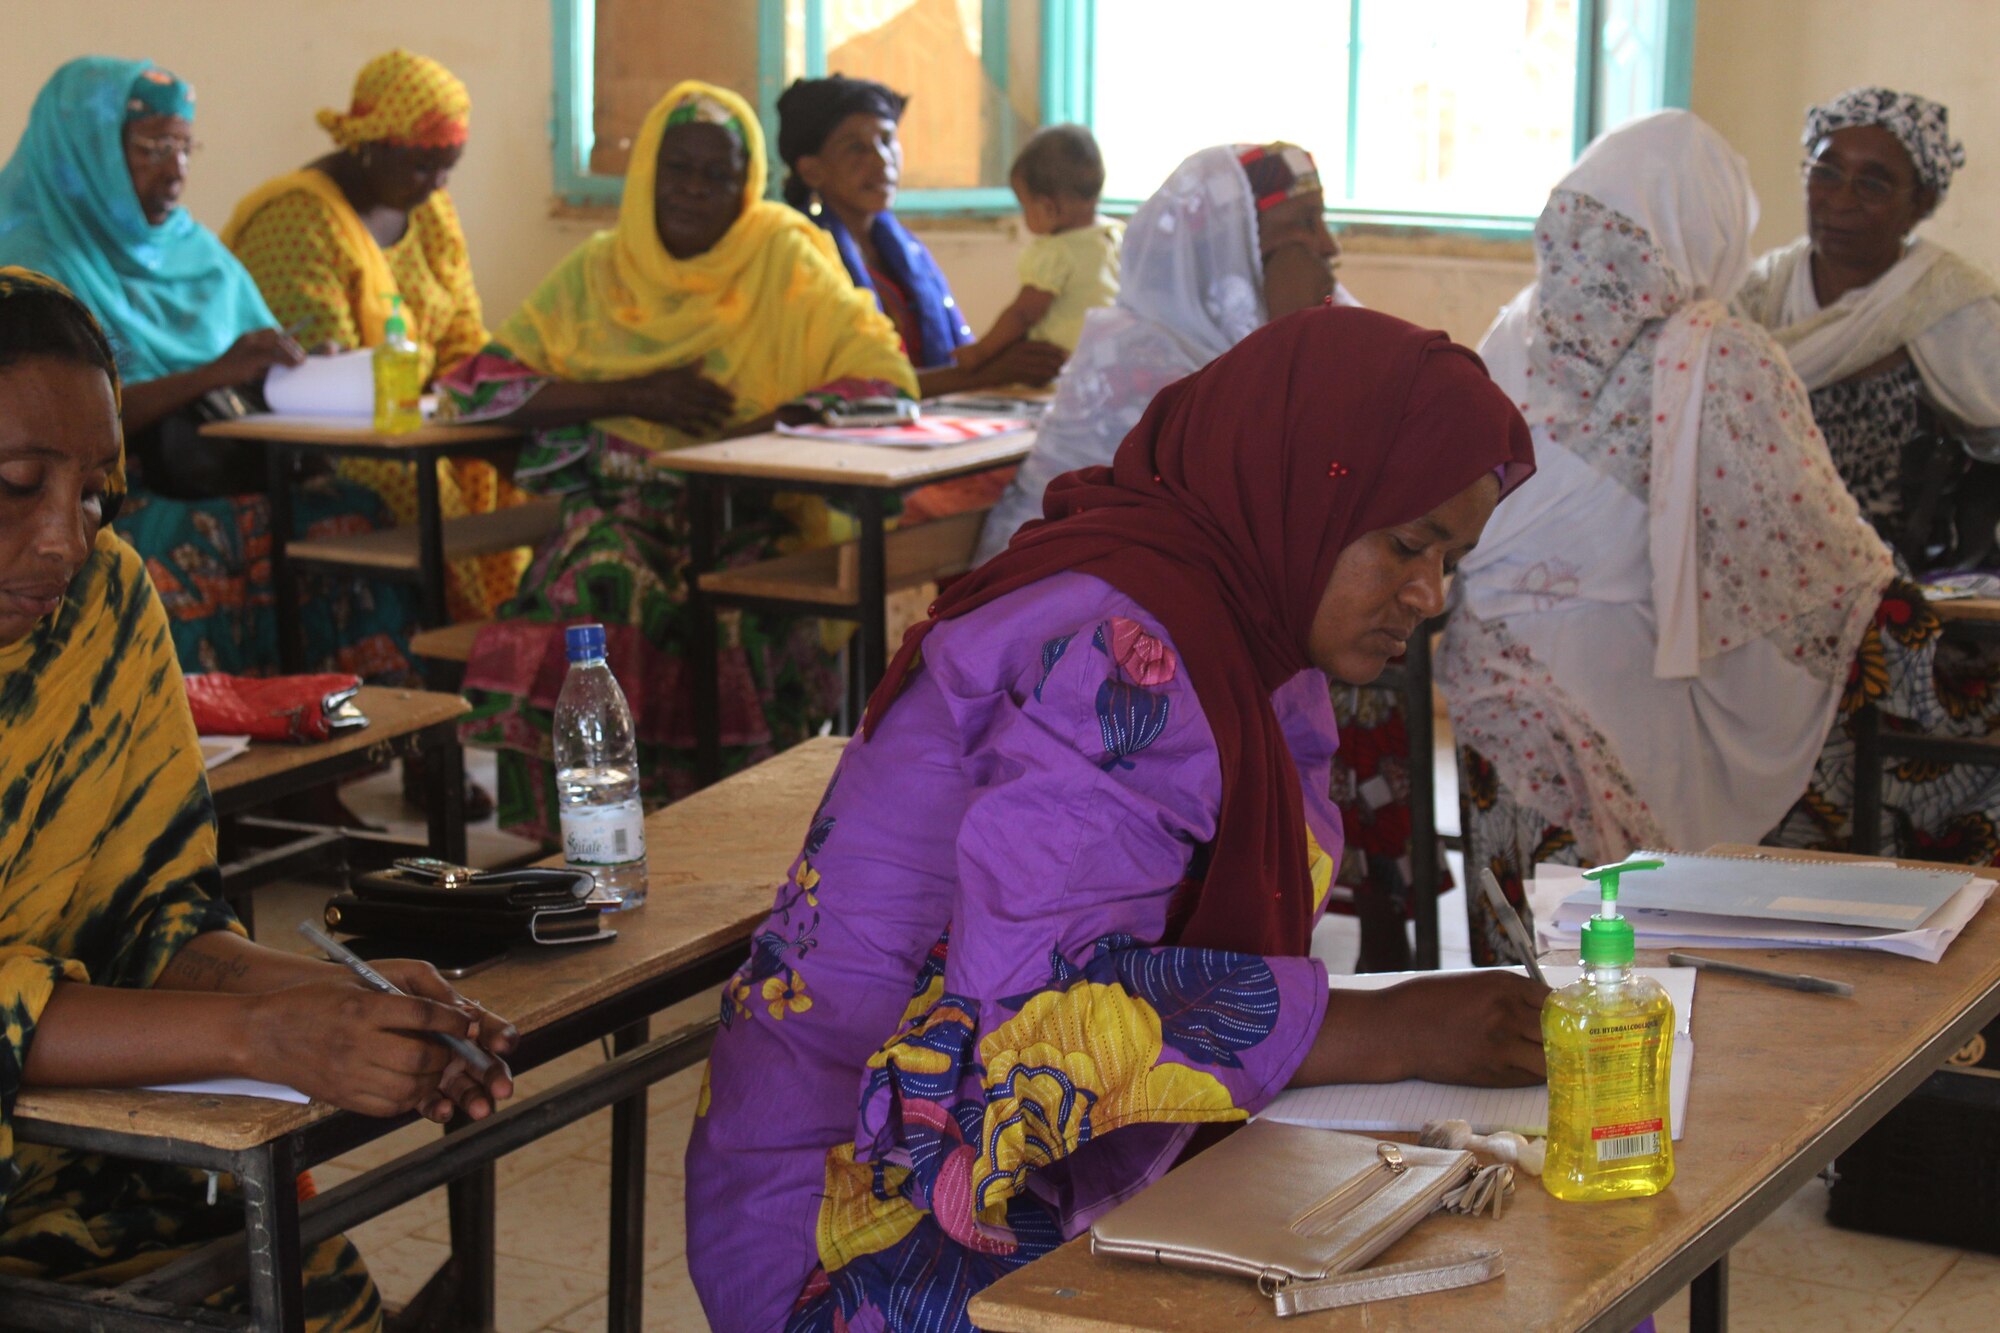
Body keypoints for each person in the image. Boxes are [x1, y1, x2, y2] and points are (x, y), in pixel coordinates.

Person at [684, 304, 1543, 1329]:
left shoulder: (1248, 639)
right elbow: (1027, 1017)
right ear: (1302, 480)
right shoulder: (1122, 647)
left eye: (1448, 558)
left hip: (1027, 1159)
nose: (1427, 593)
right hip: (869, 1209)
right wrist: (1383, 1024)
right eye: (1407, 543)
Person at [0, 266, 517, 1330]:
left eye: (97, 490)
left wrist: (351, 1004)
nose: (65, 536)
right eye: (16, 484)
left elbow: (156, 923)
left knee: (305, 1290)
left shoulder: (102, 607)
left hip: (91, 1147)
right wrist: (260, 1038)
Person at [1438, 110, 1908, 963]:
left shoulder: (1513, 330)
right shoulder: (1720, 355)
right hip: (1619, 690)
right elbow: (1812, 564)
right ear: (1707, 226)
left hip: (1487, 677)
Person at [972, 144, 1421, 968]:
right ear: (1231, 256)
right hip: (1081, 651)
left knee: (1360, 648)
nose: (1329, 249)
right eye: (1302, 232)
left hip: (1201, 629)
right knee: (1340, 664)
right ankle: (1243, 948)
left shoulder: (1289, 343)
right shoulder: (1141, 361)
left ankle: (1340, 926)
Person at [439, 82, 917, 843]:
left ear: (748, 181)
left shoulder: (784, 256)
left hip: (746, 517)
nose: (695, 190)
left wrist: (746, 441)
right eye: (677, 169)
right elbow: (478, 388)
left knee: (725, 611)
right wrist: (639, 392)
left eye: (718, 174)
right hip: (618, 510)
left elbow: (879, 381)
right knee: (604, 585)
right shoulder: (600, 270)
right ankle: (588, 837)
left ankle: (713, 833)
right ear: (647, 176)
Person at [0, 56, 411, 679]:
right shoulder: (33, 257)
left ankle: (336, 739)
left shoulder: (192, 249)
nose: (176, 172)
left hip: (221, 465)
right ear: (87, 148)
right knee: (197, 546)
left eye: (186, 148)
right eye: (153, 147)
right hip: (108, 487)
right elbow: (67, 428)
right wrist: (213, 373)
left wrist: (287, 369)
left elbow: (247, 356)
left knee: (353, 514)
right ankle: (221, 749)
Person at [223, 49, 524, 625]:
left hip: (421, 415)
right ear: (369, 142)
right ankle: (459, 637)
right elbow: (323, 377)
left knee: (513, 460)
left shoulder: (430, 210)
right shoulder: (297, 219)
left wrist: (488, 395)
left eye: (448, 167)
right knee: (421, 481)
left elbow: (462, 330)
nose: (436, 183)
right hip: (341, 438)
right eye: (422, 166)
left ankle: (508, 631)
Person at [1738, 87, 2000, 568]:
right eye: (1825, 173)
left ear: (1920, 203)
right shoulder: (1756, 295)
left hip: (1908, 588)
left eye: (1873, 185)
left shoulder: (1950, 304)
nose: (1840, 200)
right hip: (1759, 568)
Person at [774, 74, 1067, 397]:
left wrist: (1006, 354)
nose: (881, 160)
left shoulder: (907, 249)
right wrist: (987, 374)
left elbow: (957, 357)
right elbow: (848, 388)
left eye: (887, 140)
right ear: (812, 170)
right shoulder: (799, 255)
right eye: (855, 148)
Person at [953, 123, 1122, 371]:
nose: (1024, 216)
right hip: (1111, 360)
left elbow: (1024, 313)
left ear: (1047, 207)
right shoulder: (1116, 235)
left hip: (1059, 367)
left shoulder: (1057, 252)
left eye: (1025, 206)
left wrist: (980, 352)